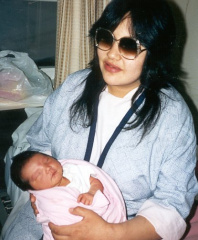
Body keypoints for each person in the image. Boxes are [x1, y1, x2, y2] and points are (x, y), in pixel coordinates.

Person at [3, 0, 198, 239]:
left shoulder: (173, 115)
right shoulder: (74, 86)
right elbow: (38, 145)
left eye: (128, 45)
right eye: (106, 38)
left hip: (126, 222)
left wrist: (110, 232)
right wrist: (38, 196)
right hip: (53, 206)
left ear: (155, 52)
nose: (111, 54)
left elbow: (172, 201)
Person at [10, 151, 126, 240]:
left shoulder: (74, 170)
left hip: (104, 223)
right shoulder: (46, 198)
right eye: (39, 174)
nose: (48, 169)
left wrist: (92, 192)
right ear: (32, 189)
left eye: (47, 161)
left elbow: (95, 182)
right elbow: (55, 220)